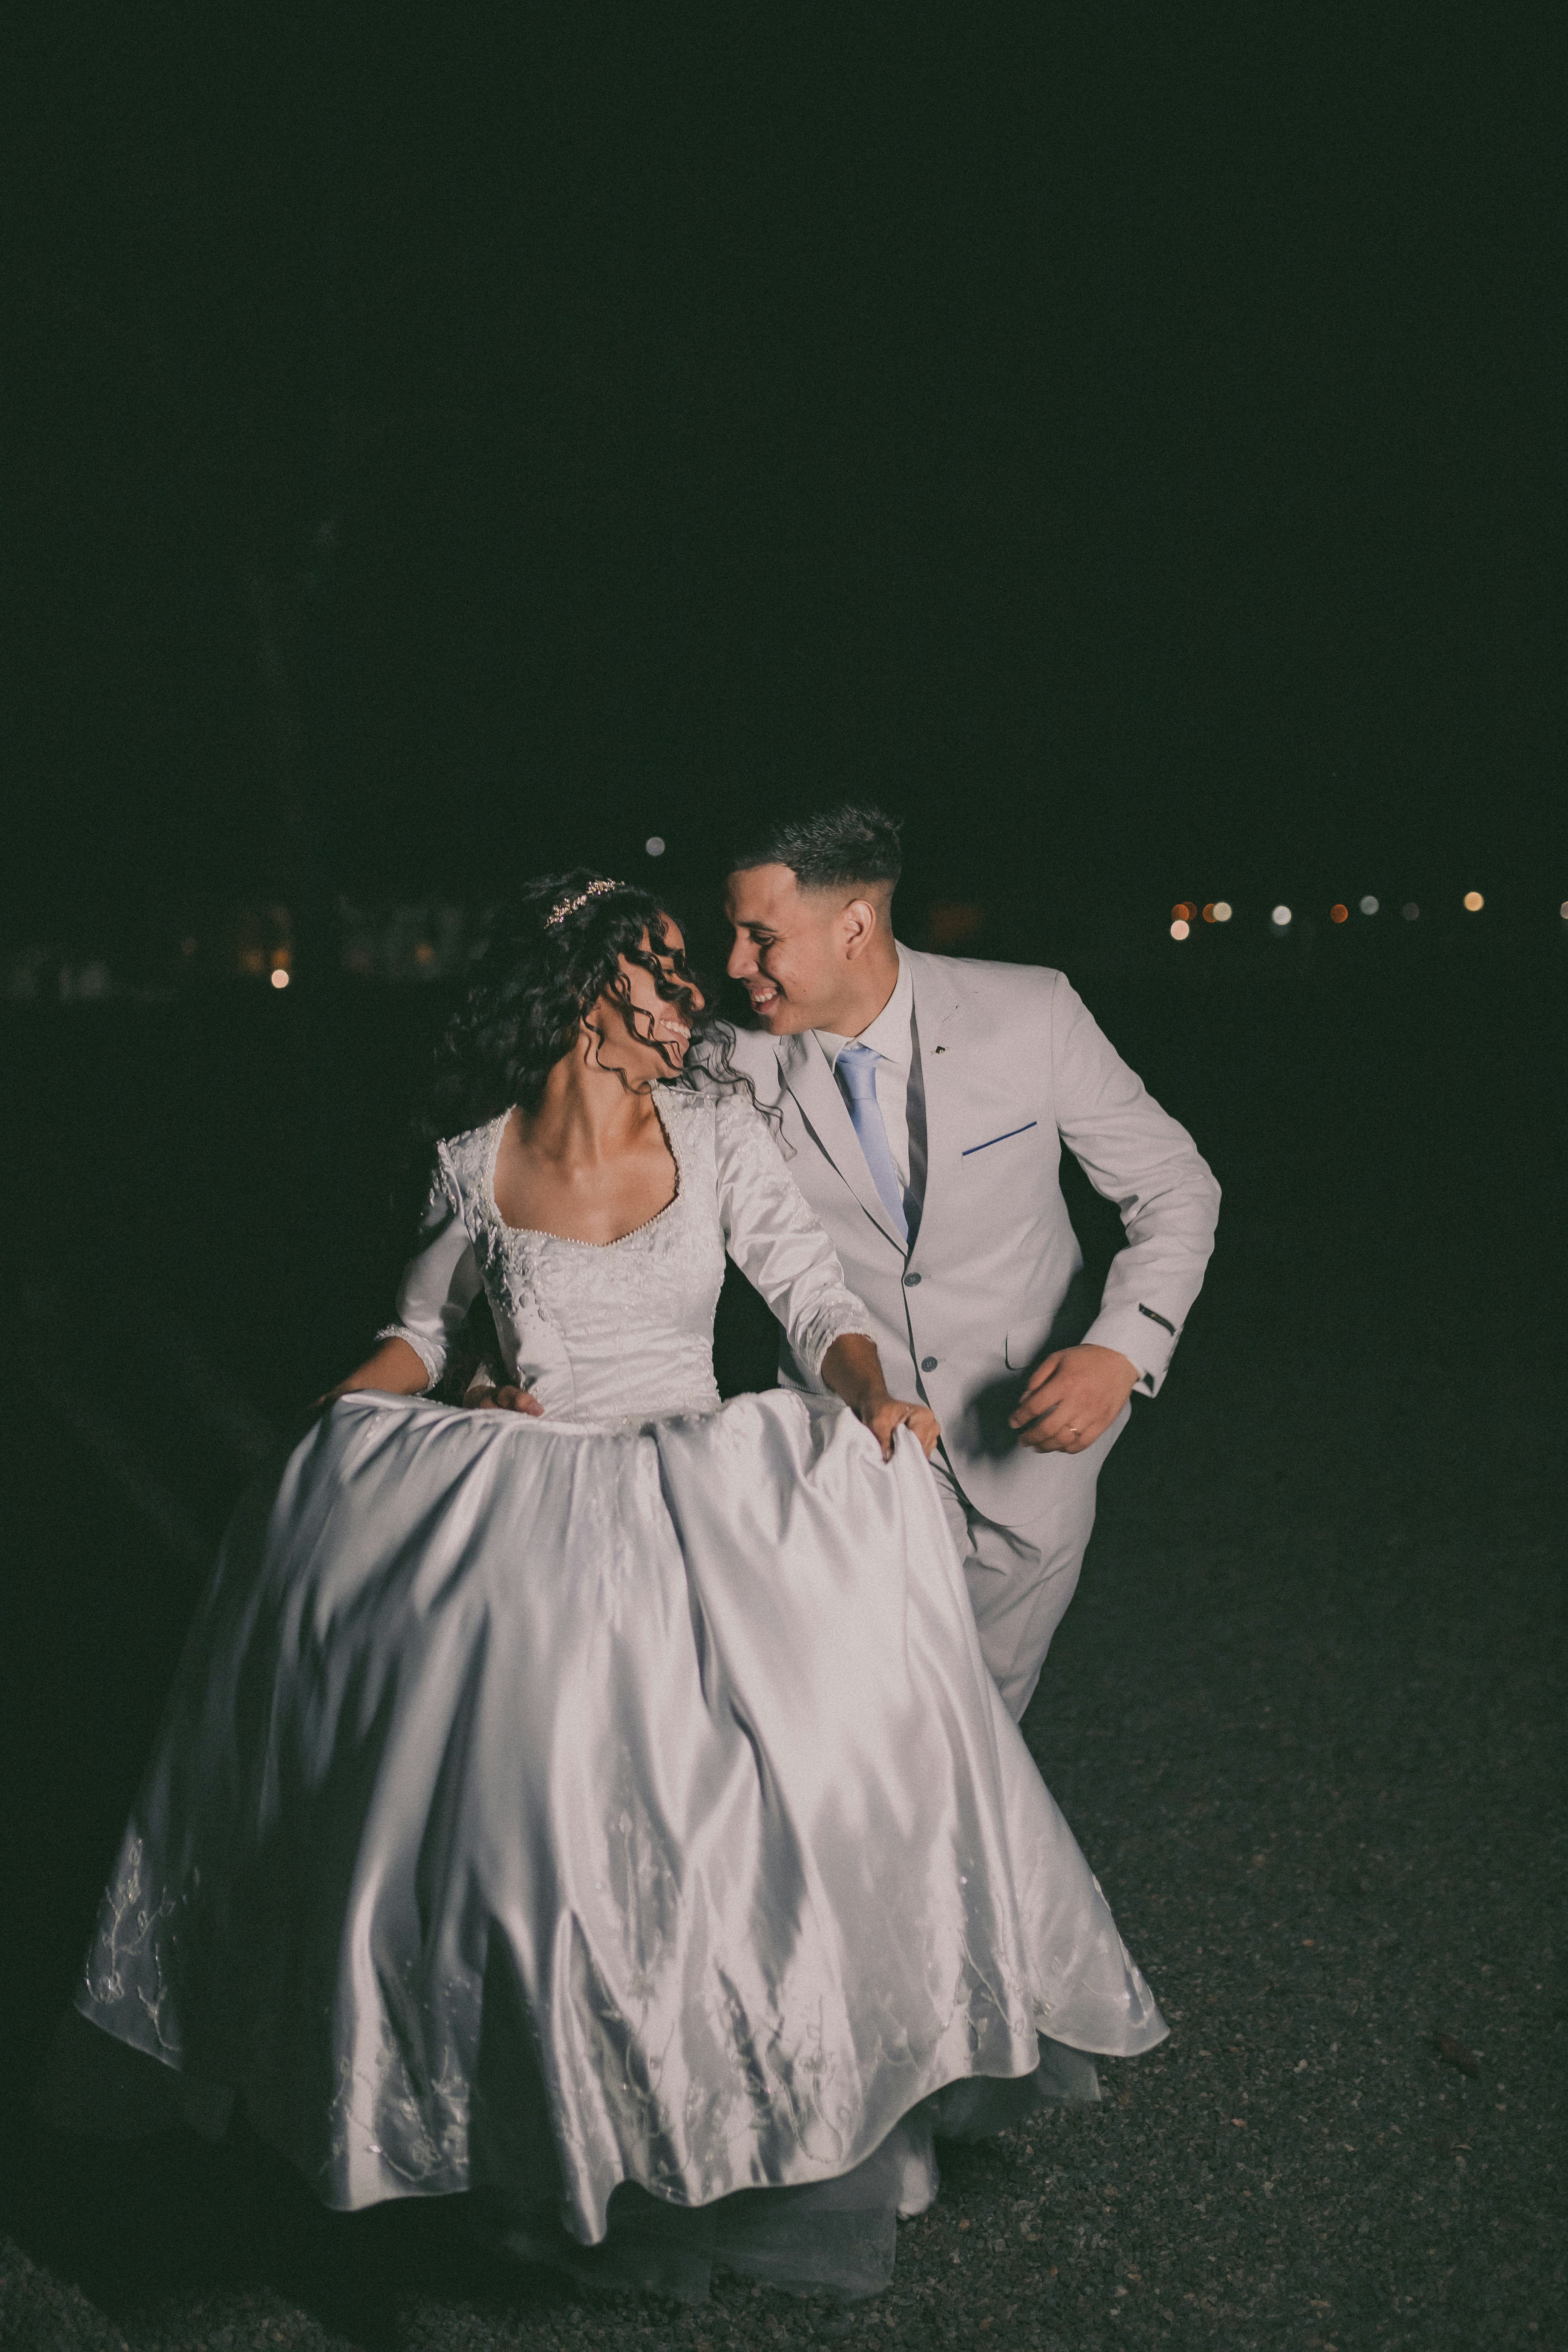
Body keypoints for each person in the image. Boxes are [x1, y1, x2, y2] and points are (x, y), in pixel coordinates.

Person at [55, 872, 1166, 2305]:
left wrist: (872, 1394)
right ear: (588, 993)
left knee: (737, 1831)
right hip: (531, 1512)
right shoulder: (475, 1160)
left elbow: (814, 1298)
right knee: (534, 1846)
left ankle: (770, 2116)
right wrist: (354, 1410)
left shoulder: (713, 1133)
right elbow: (417, 1327)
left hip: (699, 1494)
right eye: (656, 971)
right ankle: (543, 2136)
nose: (690, 991)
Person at [721, 805, 1221, 1723]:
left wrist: (1120, 1352)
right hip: (847, 1442)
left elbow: (1175, 1188)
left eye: (761, 938)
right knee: (846, 1714)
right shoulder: (729, 1064)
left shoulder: (1032, 1011)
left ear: (855, 925)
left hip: (1030, 1446)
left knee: (983, 1726)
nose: (735, 967)